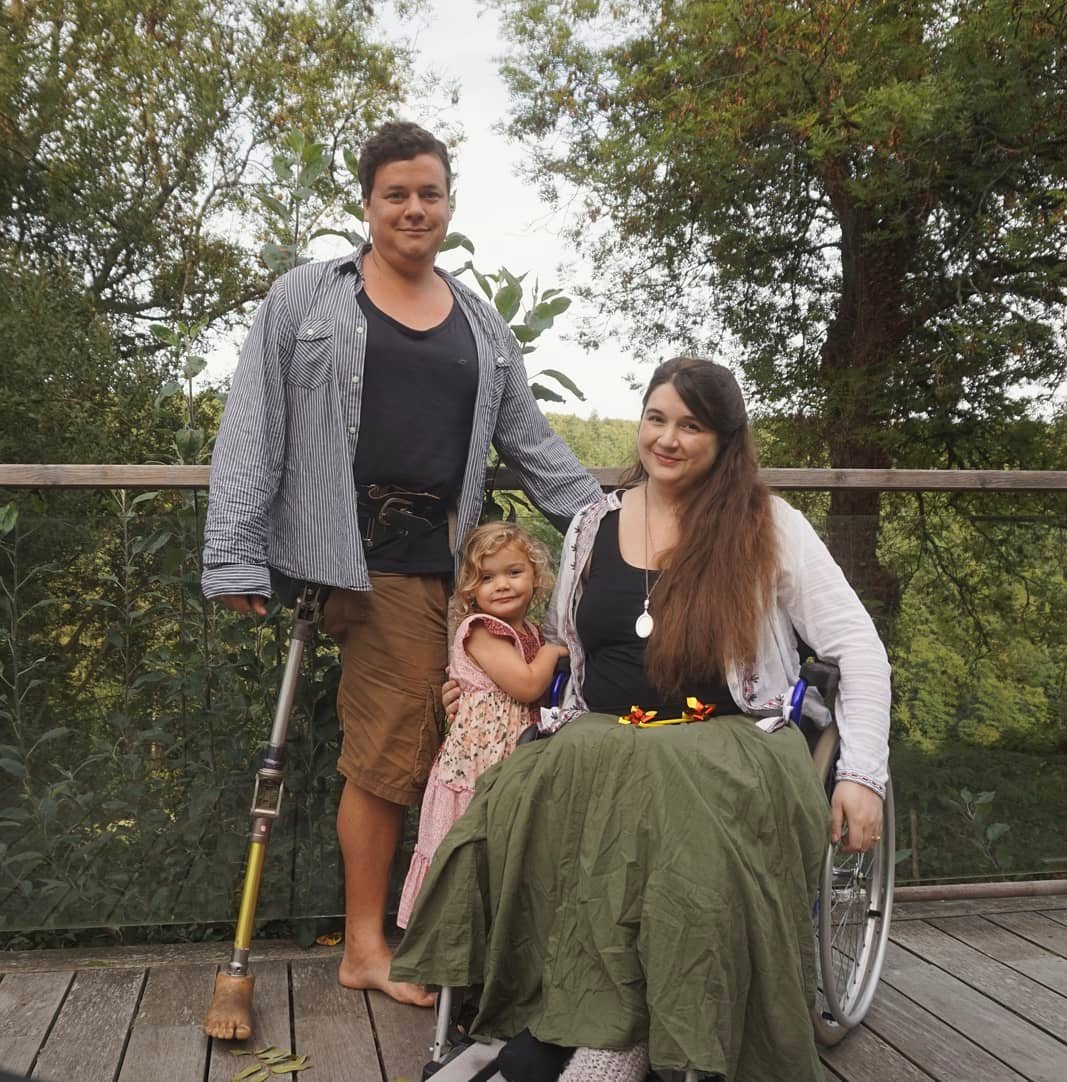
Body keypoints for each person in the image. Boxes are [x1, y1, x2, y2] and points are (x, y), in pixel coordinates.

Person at [201, 119, 602, 1028]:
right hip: (360, 561)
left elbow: (531, 443)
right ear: (368, 204)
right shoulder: (307, 298)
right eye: (397, 194)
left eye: (430, 193)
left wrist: (611, 526)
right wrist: (233, 553)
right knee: (389, 755)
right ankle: (366, 951)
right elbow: (253, 424)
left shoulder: (479, 323)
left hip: (447, 567)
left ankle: (440, 930)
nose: (414, 208)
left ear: (449, 205)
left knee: (461, 745)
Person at [391, 358, 891, 1081]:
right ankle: (565, 1025)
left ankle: (606, 1048)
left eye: (692, 426)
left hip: (730, 739)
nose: (669, 438)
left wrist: (863, 774)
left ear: (725, 440)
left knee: (656, 798)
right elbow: (568, 648)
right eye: (657, 419)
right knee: (520, 796)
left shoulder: (767, 526)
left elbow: (858, 648)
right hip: (602, 730)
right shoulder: (596, 522)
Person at [397, 522, 567, 928]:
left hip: (505, 762)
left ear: (536, 576)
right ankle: (439, 949)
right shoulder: (481, 631)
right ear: (470, 591)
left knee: (501, 853)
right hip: (474, 770)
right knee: (463, 850)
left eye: (514, 572)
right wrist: (555, 652)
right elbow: (526, 686)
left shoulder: (527, 631)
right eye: (487, 578)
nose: (502, 585)